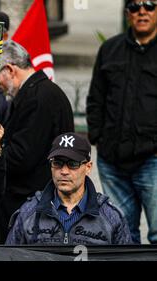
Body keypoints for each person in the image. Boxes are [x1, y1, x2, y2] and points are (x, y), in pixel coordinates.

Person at [86, 0, 157, 244]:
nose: (143, 12)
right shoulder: (110, 49)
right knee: (123, 236)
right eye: (136, 7)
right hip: (112, 161)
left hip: (152, 161)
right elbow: (96, 97)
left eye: (150, 6)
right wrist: (97, 136)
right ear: (128, 14)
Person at [0, 40, 74, 244]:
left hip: (30, 204)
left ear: (10, 69)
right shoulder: (37, 93)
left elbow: (22, 157)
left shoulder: (37, 98)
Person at [6, 133, 132, 245]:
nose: (64, 171)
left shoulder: (111, 217)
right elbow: (9, 257)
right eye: (57, 163)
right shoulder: (28, 213)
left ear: (88, 167)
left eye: (73, 164)